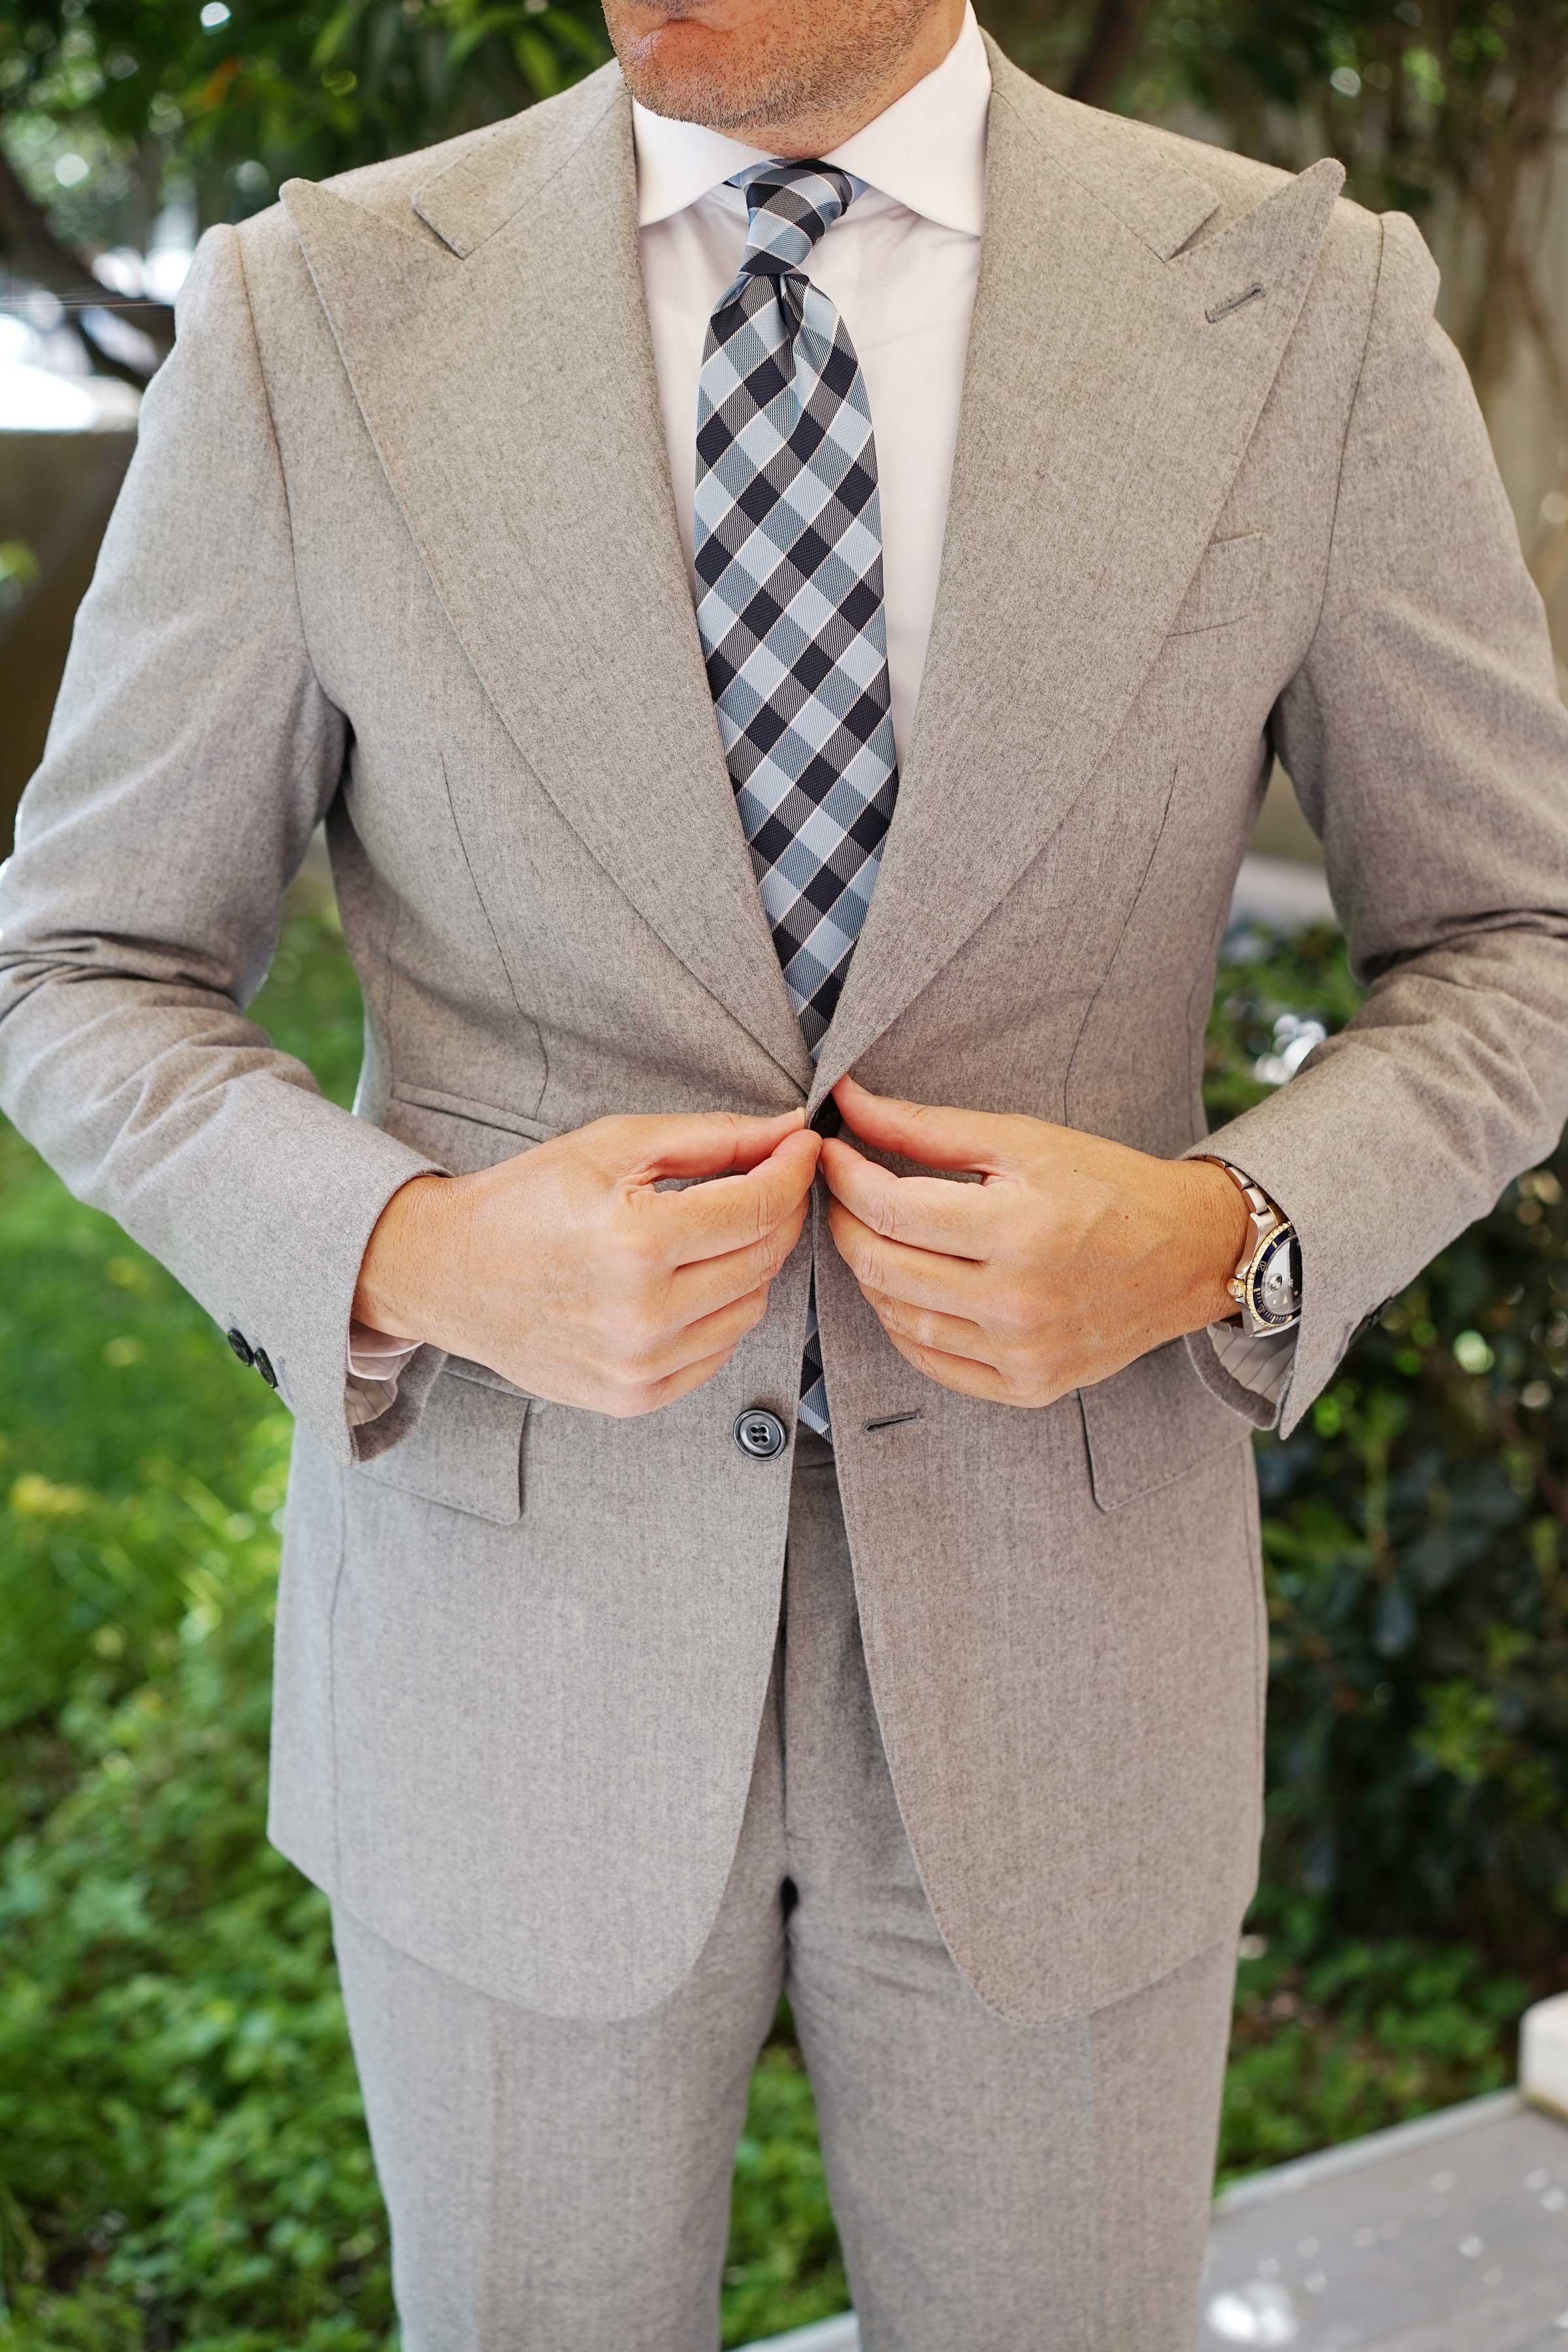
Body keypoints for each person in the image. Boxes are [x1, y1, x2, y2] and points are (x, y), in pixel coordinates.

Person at [4, 0, 1567, 2341]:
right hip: (505, 1662)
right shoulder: (314, 312)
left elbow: (1514, 943)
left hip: (1075, 1662)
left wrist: (1228, 1237)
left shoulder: (1297, 309)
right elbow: (82, 967)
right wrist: (411, 1252)